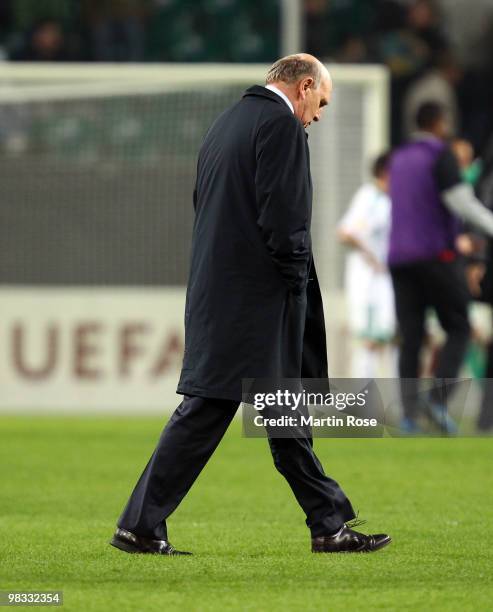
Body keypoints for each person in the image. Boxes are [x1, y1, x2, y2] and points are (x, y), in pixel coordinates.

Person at [110, 54, 391, 555]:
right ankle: (139, 525)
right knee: (207, 408)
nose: (319, 114)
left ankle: (328, 525)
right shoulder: (280, 126)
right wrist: (294, 281)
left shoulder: (226, 123)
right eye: (320, 102)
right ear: (304, 87)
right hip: (256, 302)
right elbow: (284, 217)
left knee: (282, 415)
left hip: (223, 292)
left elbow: (207, 204)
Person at [388, 101, 493, 434]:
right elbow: (462, 203)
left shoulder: (398, 157)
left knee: (412, 336)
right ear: (439, 122)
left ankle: (408, 416)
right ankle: (437, 399)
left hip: (399, 258)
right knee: (460, 326)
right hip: (435, 255)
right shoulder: (439, 154)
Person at [338, 152, 397, 378]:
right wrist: (370, 256)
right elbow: (345, 232)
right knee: (367, 341)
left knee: (389, 338)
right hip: (366, 277)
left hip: (385, 278)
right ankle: (363, 405)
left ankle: (395, 406)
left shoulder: (392, 199)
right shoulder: (368, 197)